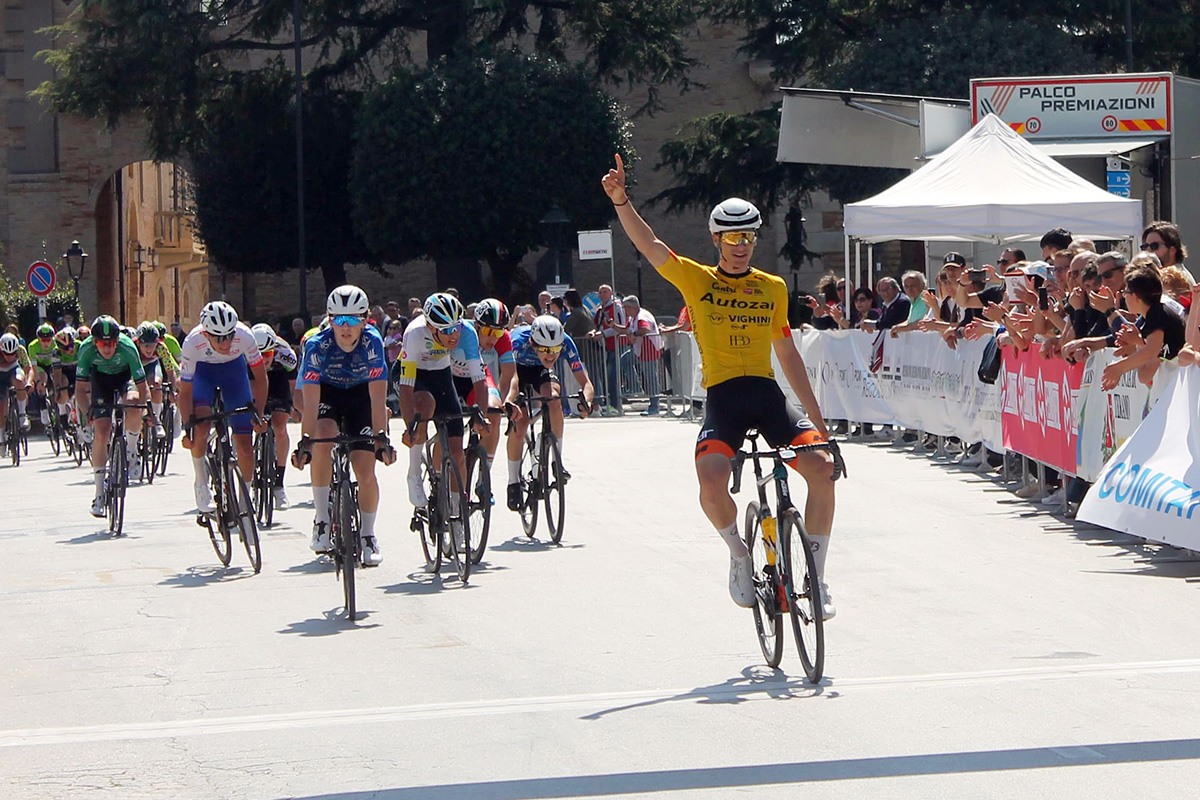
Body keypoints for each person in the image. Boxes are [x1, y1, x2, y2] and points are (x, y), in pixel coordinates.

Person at [602, 155, 837, 618]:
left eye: (748, 236)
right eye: (732, 237)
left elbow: (788, 355)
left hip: (767, 395)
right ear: (716, 239)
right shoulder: (697, 278)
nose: (741, 245)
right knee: (711, 479)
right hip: (724, 398)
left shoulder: (771, 287)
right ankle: (739, 555)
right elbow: (651, 246)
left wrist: (821, 422)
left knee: (823, 467)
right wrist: (621, 201)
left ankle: (818, 577)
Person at [293, 286, 394, 565]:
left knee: (365, 468)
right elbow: (311, 403)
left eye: (353, 320)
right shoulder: (316, 346)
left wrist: (381, 437)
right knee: (323, 437)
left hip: (362, 395)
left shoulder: (373, 343)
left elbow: (377, 397)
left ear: (365, 320)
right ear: (329, 319)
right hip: (329, 394)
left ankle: (368, 535)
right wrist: (305, 441)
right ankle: (322, 520)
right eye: (339, 320)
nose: (346, 327)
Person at [397, 293, 488, 555]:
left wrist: (480, 414)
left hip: (440, 374)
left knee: (457, 452)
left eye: (456, 327)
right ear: (430, 327)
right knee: (424, 408)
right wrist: (410, 426)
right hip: (416, 377)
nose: (453, 335)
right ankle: (414, 473)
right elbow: (406, 386)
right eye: (446, 330)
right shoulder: (414, 334)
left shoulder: (467, 333)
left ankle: (458, 519)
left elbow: (478, 379)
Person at [178, 301, 268, 515]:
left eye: (229, 335)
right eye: (218, 337)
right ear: (206, 334)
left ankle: (245, 498)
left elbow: (261, 377)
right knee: (201, 426)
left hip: (233, 373)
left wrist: (259, 413)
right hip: (203, 374)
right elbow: (185, 392)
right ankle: (201, 483)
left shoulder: (245, 336)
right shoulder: (192, 343)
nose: (226, 342)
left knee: (245, 445)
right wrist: (187, 426)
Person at [503, 315, 595, 510]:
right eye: (545, 350)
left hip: (541, 373)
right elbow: (511, 380)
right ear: (533, 343)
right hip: (516, 372)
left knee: (553, 399)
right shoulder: (517, 341)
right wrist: (510, 401)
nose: (551, 355)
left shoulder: (566, 343)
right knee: (521, 421)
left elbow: (585, 382)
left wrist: (586, 402)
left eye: (555, 350)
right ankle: (513, 483)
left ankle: (556, 462)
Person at [73, 318, 149, 516]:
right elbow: (80, 390)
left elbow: (142, 387)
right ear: (94, 342)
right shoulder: (86, 350)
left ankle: (132, 453)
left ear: (118, 341)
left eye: (111, 343)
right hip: (100, 381)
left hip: (125, 378)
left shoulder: (128, 347)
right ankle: (99, 493)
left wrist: (145, 410)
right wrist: (86, 411)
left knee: (133, 402)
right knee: (102, 430)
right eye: (101, 343)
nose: (106, 348)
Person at [252, 323, 298, 510]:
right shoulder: (244, 353)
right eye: (259, 355)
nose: (263, 360)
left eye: (268, 355)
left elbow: (295, 387)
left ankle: (279, 483)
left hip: (278, 381)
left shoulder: (286, 355)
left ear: (274, 350)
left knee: (280, 426)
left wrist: (296, 407)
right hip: (254, 380)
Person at [473, 299, 518, 461]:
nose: (493, 338)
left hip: (479, 374)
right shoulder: (464, 333)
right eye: (488, 331)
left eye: (498, 332)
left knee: (494, 413)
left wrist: (505, 400)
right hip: (454, 375)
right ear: (477, 326)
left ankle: (484, 479)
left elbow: (509, 374)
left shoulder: (503, 338)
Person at [614, 295, 664, 415]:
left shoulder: (642, 316)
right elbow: (627, 330)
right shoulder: (633, 318)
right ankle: (635, 387)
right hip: (640, 349)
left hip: (649, 349)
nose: (624, 310)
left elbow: (645, 329)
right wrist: (613, 326)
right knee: (624, 360)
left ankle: (654, 406)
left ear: (631, 307)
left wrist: (634, 335)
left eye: (625, 307)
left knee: (651, 377)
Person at [587, 284, 627, 412]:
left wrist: (603, 333)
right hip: (605, 346)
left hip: (617, 345)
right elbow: (598, 325)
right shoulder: (600, 310)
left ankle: (616, 405)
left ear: (611, 293)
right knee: (606, 377)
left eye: (605, 292)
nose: (602, 294)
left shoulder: (617, 307)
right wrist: (594, 332)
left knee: (613, 376)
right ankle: (609, 403)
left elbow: (621, 326)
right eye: (601, 292)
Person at [0, 332, 33, 444]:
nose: (9, 357)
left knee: (19, 381)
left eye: (13, 353)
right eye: (6, 354)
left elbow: (29, 368)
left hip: (14, 369)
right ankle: (1, 433)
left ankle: (22, 414)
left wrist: (28, 383)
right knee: (1, 406)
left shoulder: (21, 350)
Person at [1142, 221, 1194, 285]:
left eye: (1154, 246)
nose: (1149, 250)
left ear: (1172, 250)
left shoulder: (1177, 279)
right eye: (1145, 246)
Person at [26, 323, 58, 427]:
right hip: (39, 366)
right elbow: (33, 367)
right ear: (38, 339)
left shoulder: (56, 344)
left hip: (52, 365)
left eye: (48, 340)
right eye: (43, 340)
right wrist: (38, 382)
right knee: (42, 381)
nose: (46, 343)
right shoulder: (32, 346)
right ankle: (43, 408)